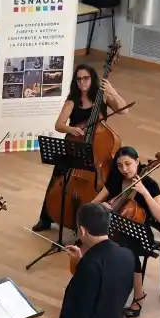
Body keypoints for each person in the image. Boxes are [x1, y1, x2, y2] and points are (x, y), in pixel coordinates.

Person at [34, 65, 128, 232]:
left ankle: (99, 220)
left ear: (92, 79)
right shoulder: (72, 101)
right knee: (57, 177)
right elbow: (59, 125)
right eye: (79, 79)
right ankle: (45, 217)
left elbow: (124, 111)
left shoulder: (103, 96)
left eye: (86, 78)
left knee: (110, 179)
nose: (82, 82)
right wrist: (72, 129)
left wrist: (112, 91)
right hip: (75, 147)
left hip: (96, 152)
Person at [91, 146, 160, 317]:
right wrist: (102, 206)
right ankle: (103, 289)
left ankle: (139, 296)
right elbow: (94, 203)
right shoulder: (116, 179)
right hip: (115, 227)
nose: (124, 169)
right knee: (105, 245)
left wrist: (144, 192)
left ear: (137, 162)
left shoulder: (150, 185)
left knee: (126, 250)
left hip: (139, 232)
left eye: (128, 164)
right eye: (120, 165)